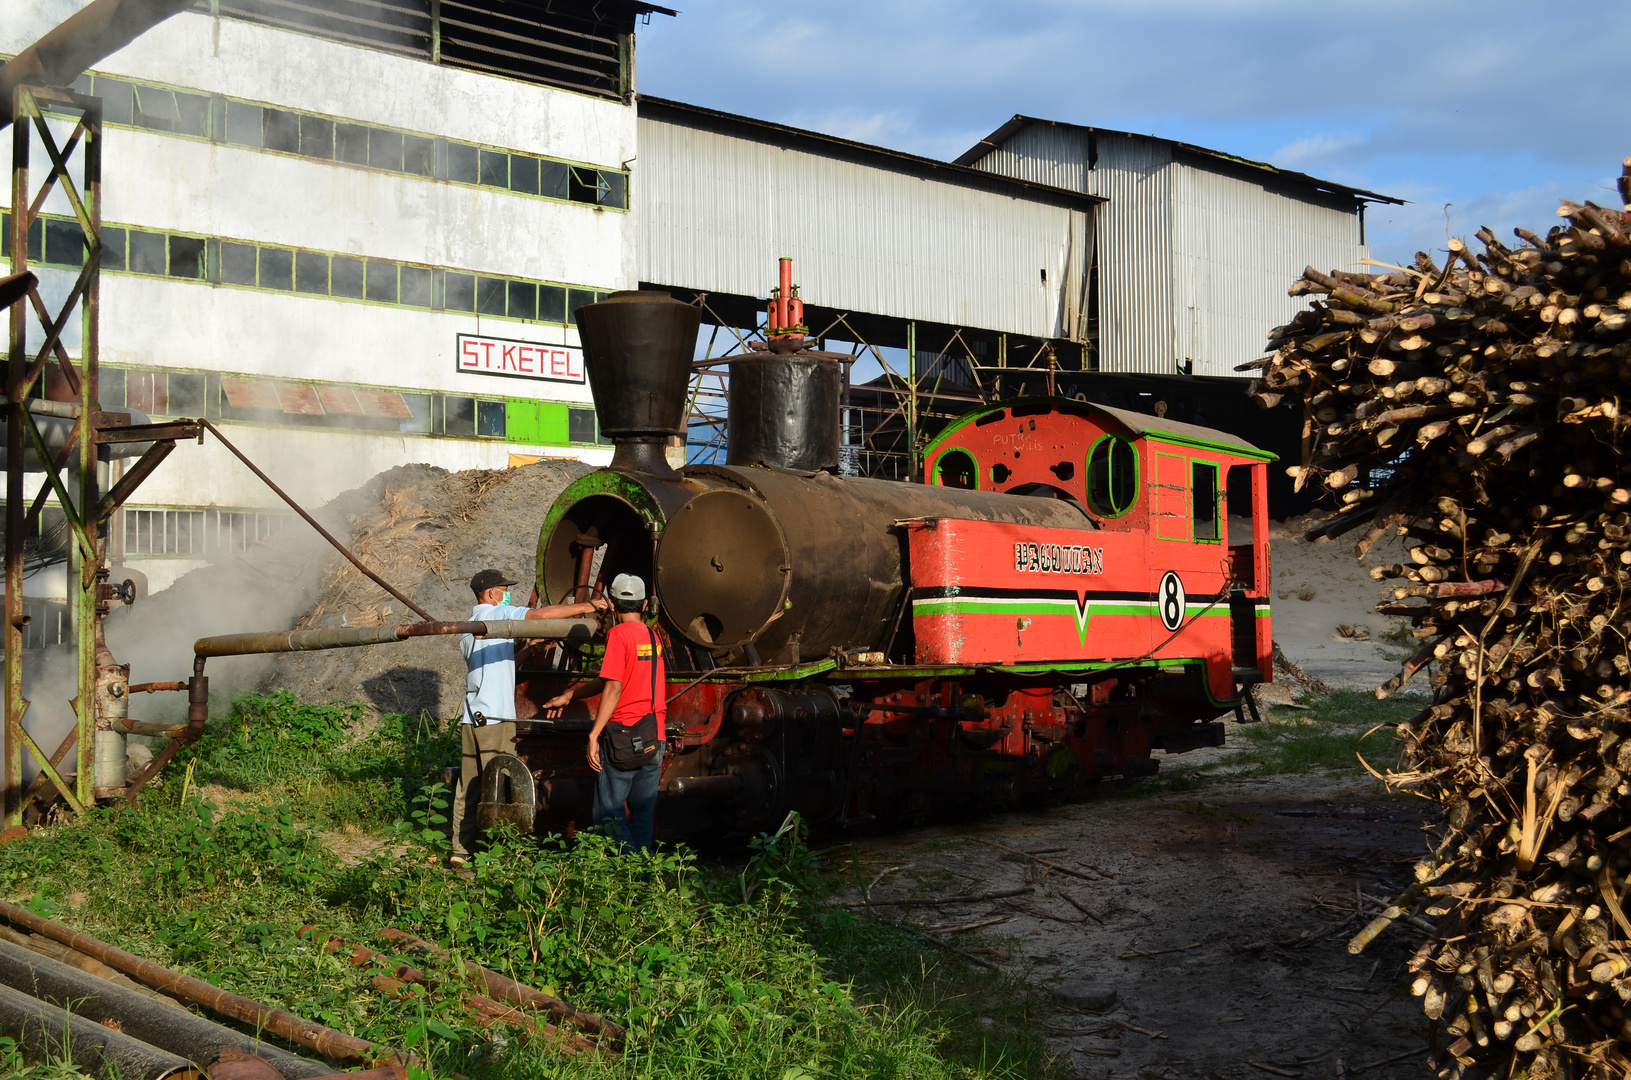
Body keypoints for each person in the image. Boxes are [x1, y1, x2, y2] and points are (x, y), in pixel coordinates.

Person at [451, 568, 606, 867]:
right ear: (492, 593)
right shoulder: (500, 614)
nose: (507, 593)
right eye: (504, 589)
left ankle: (460, 850)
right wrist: (589, 606)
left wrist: (528, 649)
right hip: (495, 719)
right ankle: (499, 854)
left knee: (468, 786)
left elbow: (497, 664)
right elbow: (543, 616)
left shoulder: (469, 627)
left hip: (473, 717)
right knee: (503, 786)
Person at [542, 573, 666, 854]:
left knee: (607, 816)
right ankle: (641, 880)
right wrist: (571, 694)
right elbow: (610, 678)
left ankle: (631, 870)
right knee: (643, 814)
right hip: (654, 735)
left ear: (611, 604)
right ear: (644, 604)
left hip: (624, 738)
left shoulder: (618, 635)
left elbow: (613, 686)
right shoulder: (652, 636)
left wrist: (594, 733)